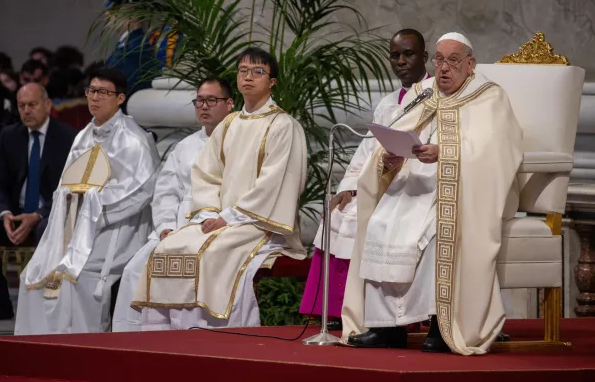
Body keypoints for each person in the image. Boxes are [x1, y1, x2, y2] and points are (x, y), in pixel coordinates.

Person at [342, 32, 523, 355]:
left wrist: (445, 152)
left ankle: (443, 326)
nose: (443, 69)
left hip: (461, 189)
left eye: (453, 61)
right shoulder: (422, 94)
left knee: (436, 231)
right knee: (381, 221)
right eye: (439, 60)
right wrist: (389, 158)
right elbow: (395, 135)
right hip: (412, 185)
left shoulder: (489, 97)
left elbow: (499, 150)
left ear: (470, 65)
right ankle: (388, 328)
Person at [132, 47, 307, 330]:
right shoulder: (229, 123)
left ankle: (211, 334)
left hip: (259, 223)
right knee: (168, 247)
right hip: (220, 219)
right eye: (243, 71)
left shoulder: (283, 125)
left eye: (258, 72)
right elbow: (206, 174)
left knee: (211, 254)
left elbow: (275, 184)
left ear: (272, 81)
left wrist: (230, 217)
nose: (248, 77)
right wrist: (209, 213)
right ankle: (166, 336)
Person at [299, 29, 430, 330]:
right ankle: (336, 310)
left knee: (365, 219)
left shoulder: (434, 97)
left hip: (413, 184)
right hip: (381, 180)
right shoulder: (387, 104)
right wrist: (348, 188)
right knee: (338, 214)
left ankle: (379, 315)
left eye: (408, 54)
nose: (401, 61)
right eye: (395, 55)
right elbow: (366, 149)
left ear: (424, 57)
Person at [14, 67, 160, 335]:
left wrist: (92, 202)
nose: (95, 98)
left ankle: (80, 348)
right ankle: (39, 352)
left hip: (116, 228)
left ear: (120, 98)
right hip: (74, 224)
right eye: (91, 91)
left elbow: (140, 192)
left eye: (103, 92)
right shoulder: (83, 136)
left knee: (76, 278)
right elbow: (64, 185)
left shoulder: (134, 139)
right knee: (32, 276)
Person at [112, 77, 234, 332]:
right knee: (136, 269)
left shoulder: (240, 144)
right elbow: (166, 192)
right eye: (199, 100)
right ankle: (135, 344)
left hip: (217, 227)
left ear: (229, 104)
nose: (204, 106)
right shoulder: (184, 147)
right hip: (177, 227)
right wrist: (166, 226)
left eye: (211, 100)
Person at [0, 83, 76, 320]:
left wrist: (39, 215)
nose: (26, 111)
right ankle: (0, 307)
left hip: (49, 212)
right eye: (22, 106)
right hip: (15, 212)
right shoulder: (9, 136)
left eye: (32, 105)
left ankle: (46, 307)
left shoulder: (69, 138)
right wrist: (5, 213)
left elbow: (69, 189)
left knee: (48, 229)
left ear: (47, 105)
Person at [104, 0, 161, 108]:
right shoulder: (128, 44)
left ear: (129, 10)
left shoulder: (135, 49)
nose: (108, 14)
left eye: (114, 9)